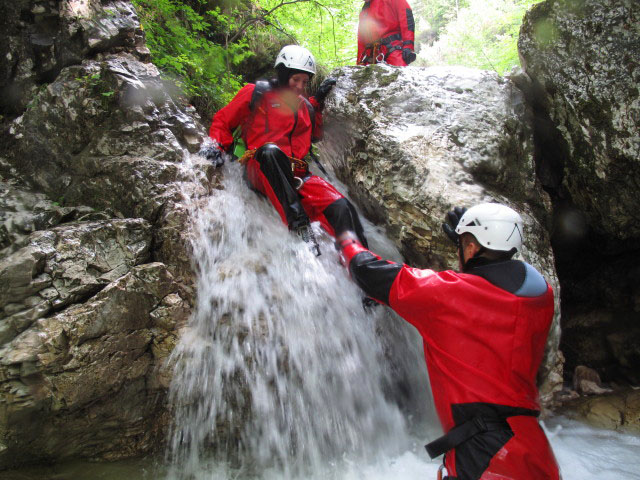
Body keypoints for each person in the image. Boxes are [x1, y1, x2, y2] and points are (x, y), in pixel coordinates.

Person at [336, 203, 561, 479]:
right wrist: (473, 236)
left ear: (469, 248)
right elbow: (502, 280)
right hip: (533, 449)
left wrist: (345, 237)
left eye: (462, 246)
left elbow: (365, 270)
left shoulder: (445, 296)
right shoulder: (542, 296)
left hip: (484, 455)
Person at [201, 45, 368, 255]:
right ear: (283, 74)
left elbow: (314, 136)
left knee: (341, 206)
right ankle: (300, 230)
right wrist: (215, 145)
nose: (300, 86)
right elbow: (223, 121)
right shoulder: (256, 93)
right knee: (271, 152)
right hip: (260, 167)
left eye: (305, 82)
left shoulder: (303, 106)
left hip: (294, 173)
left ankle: (361, 259)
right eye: (295, 79)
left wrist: (316, 103)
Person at [357, 0, 416, 66]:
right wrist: (359, 62)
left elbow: (406, 19)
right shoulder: (364, 12)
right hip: (371, 57)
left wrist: (408, 47)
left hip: (393, 50)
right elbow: (361, 41)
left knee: (400, 73)